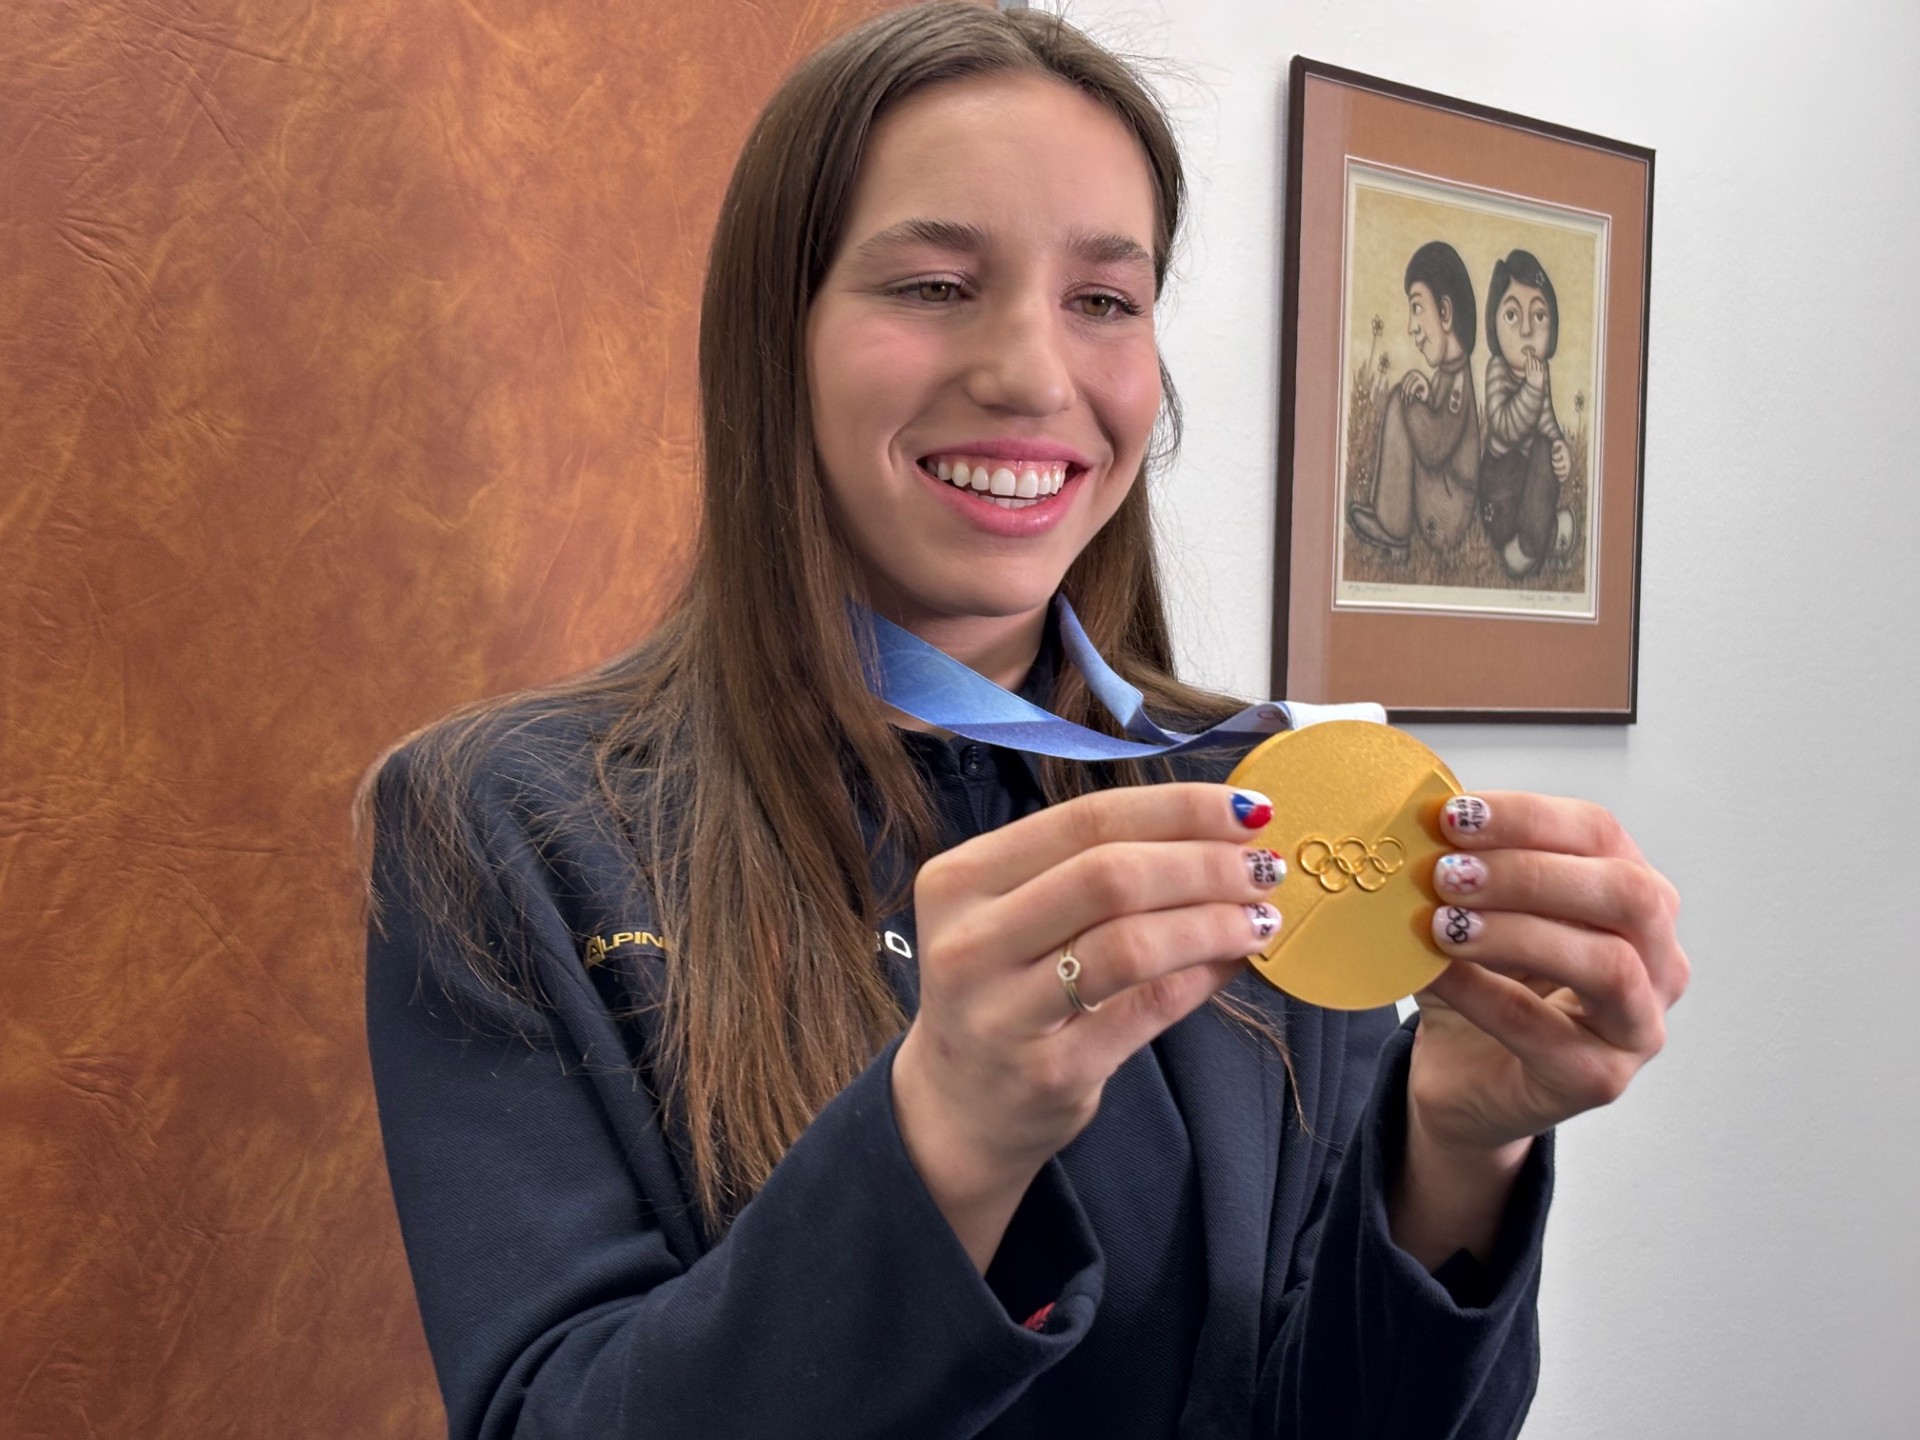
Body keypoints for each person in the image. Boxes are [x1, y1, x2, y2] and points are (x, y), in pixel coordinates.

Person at [361, 7, 1686, 1438]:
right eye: (936, 284)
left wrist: (1455, 1147)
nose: (1036, 376)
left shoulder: (1269, 791)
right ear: (775, 336)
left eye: (1103, 300)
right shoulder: (507, 824)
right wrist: (945, 1141)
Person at [1347, 240, 1482, 558]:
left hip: (1448, 513)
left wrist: (1415, 409)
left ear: (1445, 313)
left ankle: (1392, 530)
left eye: (1417, 308)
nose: (1412, 328)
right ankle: (1389, 526)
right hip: (1444, 495)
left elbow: (1434, 449)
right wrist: (1426, 396)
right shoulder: (1449, 374)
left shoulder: (1458, 382)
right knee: (1406, 399)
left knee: (1401, 401)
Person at [1479, 249, 1576, 578]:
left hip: (1531, 489)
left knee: (1545, 450)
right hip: (1500, 486)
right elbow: (1505, 427)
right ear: (1493, 322)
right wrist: (1531, 389)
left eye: (1539, 316)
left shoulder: (1540, 371)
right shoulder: (1497, 369)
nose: (1526, 330)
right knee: (1509, 515)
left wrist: (1559, 446)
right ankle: (1540, 539)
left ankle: (1534, 541)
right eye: (1511, 315)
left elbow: (1546, 420)